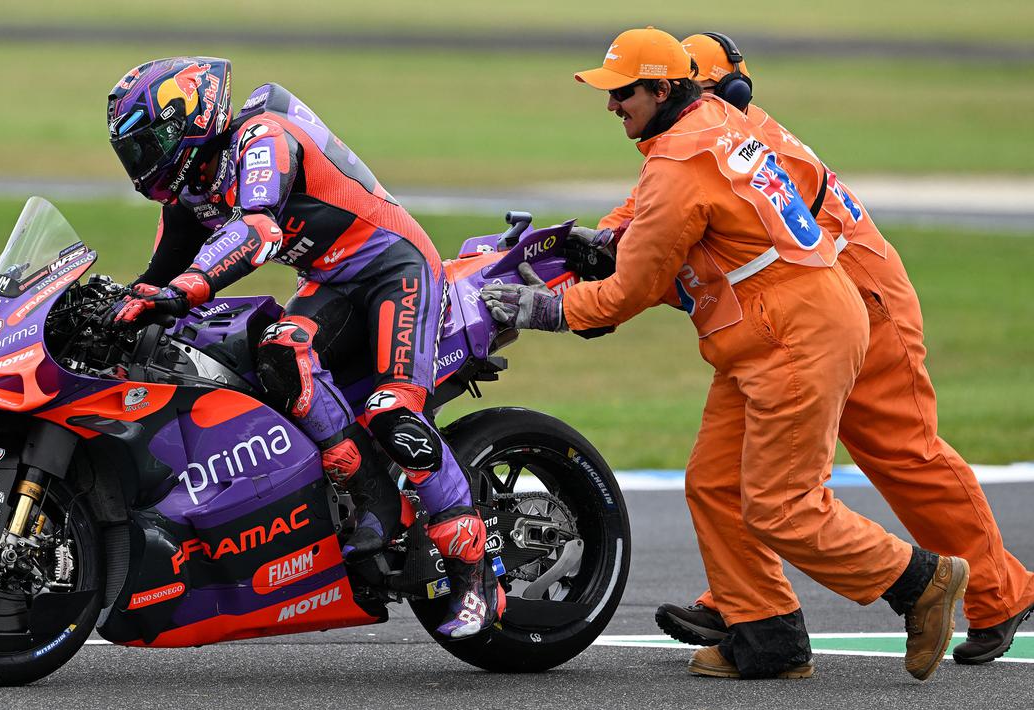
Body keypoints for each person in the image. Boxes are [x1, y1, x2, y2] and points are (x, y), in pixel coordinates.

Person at [480, 27, 968, 680]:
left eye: (621, 93)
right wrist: (612, 242)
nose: (610, 106)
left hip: (793, 337)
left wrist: (539, 309)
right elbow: (680, 235)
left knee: (780, 507)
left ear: (661, 88)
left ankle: (919, 582)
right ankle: (767, 638)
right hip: (775, 330)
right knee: (713, 484)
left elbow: (630, 293)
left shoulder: (679, 162)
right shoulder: (711, 121)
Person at [603, 32, 1033, 667]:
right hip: (808, 308)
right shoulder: (715, 138)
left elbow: (685, 243)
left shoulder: (727, 142)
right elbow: (647, 215)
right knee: (732, 473)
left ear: (718, 91)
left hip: (858, 297)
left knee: (900, 454)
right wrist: (604, 240)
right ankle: (747, 606)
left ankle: (1002, 593)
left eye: (709, 88)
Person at [105, 57, 504, 638]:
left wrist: (184, 289)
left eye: (148, 146)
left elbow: (258, 231)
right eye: (131, 153)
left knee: (394, 412)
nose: (141, 165)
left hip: (395, 268)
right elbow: (160, 271)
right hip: (331, 279)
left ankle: (475, 574)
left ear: (186, 122)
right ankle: (370, 494)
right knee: (280, 354)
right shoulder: (191, 187)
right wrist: (119, 304)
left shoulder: (261, 136)